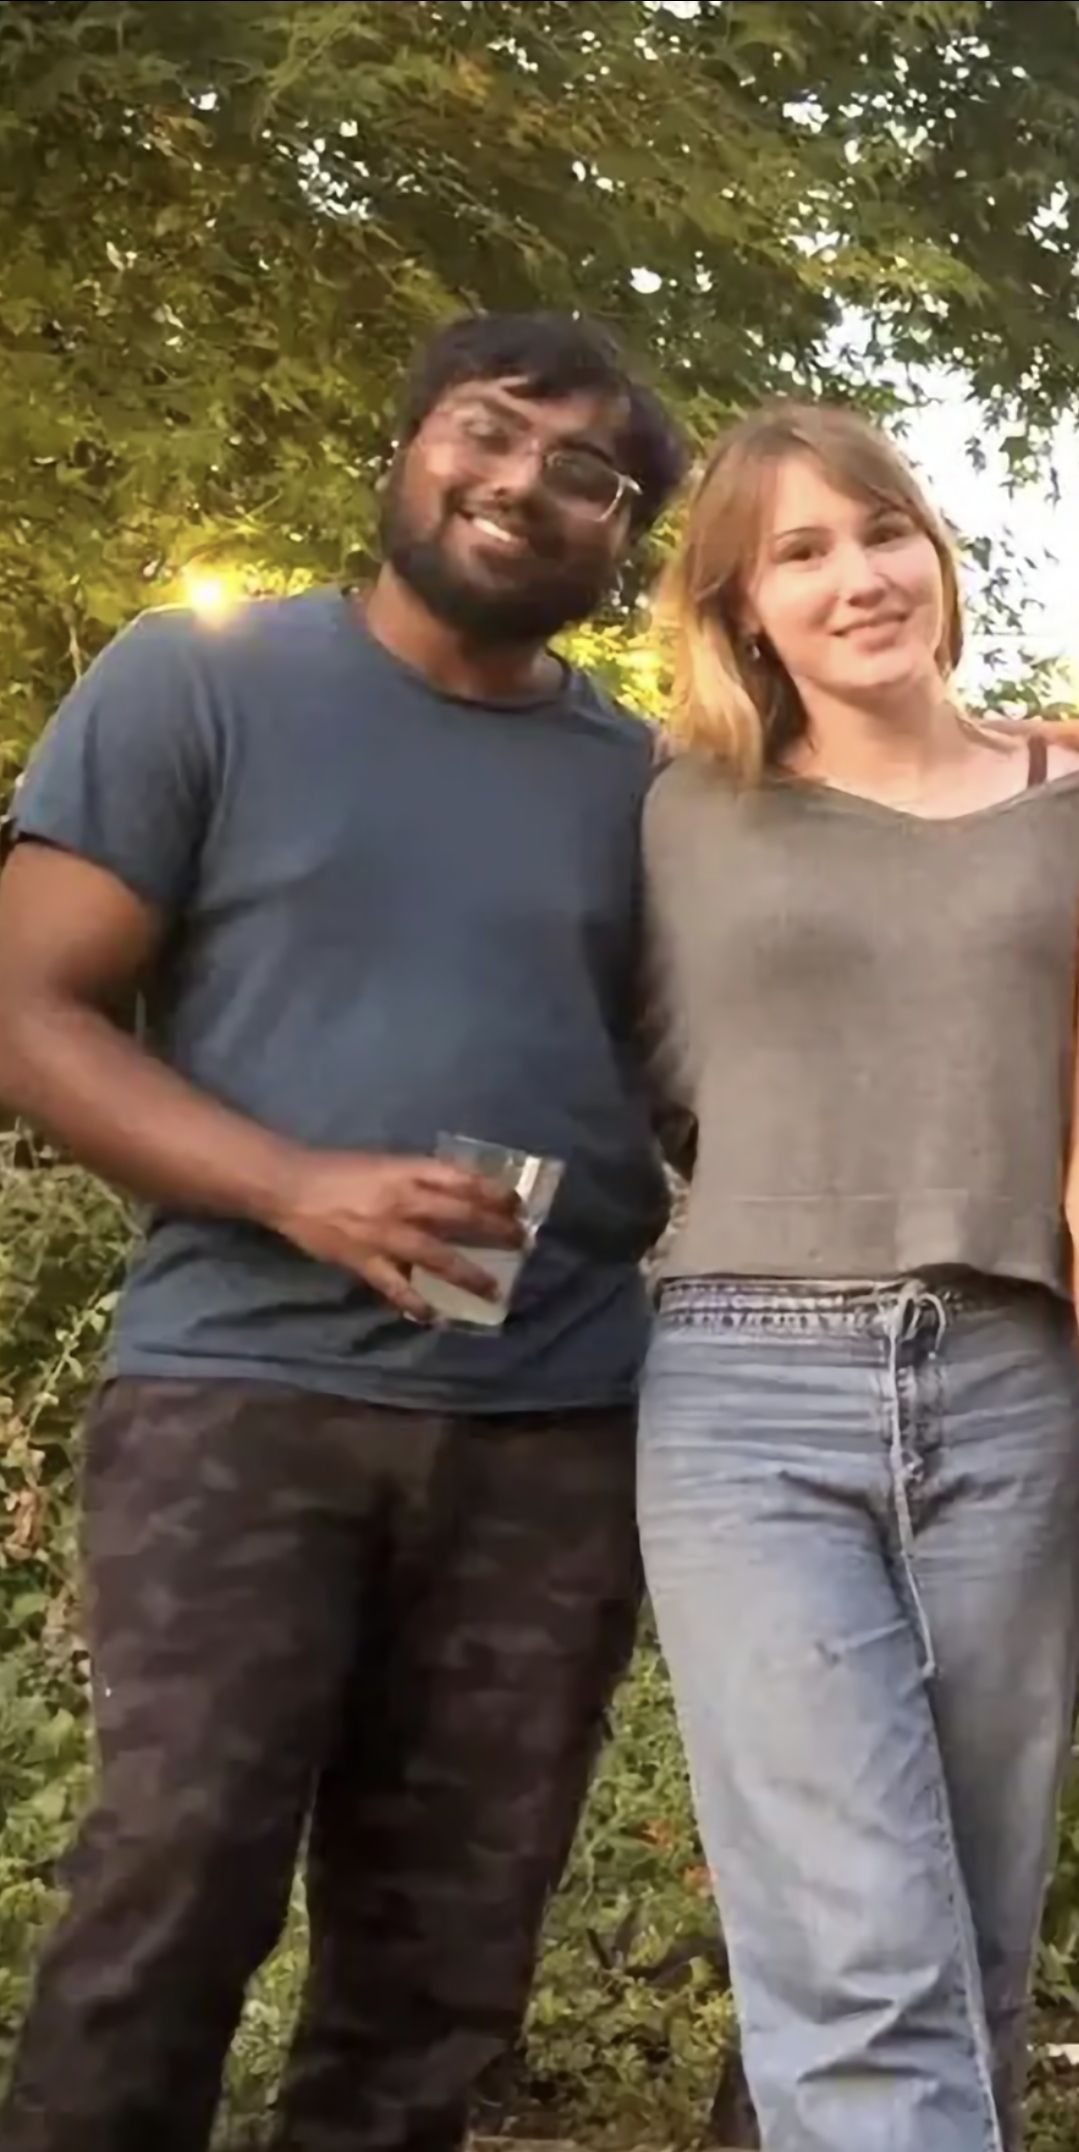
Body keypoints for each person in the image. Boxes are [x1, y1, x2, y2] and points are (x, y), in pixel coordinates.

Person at [0, 311, 685, 2152]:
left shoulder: (639, 782)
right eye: (489, 430)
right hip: (243, 1394)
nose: (522, 484)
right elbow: (29, 1011)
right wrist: (293, 1185)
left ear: (622, 541)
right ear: (407, 447)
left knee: (444, 1965)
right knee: (171, 1889)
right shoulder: (199, 683)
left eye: (585, 473)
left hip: (553, 1425)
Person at [637, 400, 1079, 2152]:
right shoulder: (675, 813)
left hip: (1017, 1378)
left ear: (934, 549)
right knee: (859, 1960)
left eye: (883, 529)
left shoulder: (1070, 797)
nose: (859, 576)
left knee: (969, 1949)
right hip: (746, 1391)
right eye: (799, 553)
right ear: (743, 609)